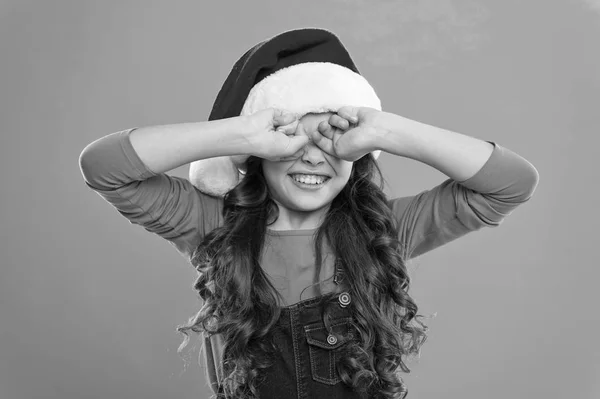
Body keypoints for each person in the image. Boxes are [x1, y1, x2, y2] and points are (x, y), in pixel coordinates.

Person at [78, 28, 539, 399]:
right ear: (259, 151)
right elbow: (105, 168)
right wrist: (238, 135)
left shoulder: (385, 232)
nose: (314, 158)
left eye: (330, 141)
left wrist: (388, 131)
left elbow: (511, 183)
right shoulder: (211, 225)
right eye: (294, 140)